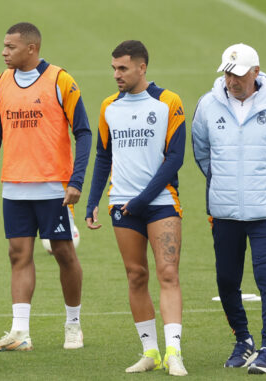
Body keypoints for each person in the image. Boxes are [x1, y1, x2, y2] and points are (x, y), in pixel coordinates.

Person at [0, 22, 92, 352]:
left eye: (10, 47)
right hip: (14, 186)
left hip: (53, 187)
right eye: (4, 46)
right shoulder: (0, 83)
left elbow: (83, 132)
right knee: (18, 254)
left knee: (64, 253)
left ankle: (73, 324)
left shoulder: (59, 80)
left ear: (31, 49)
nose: (4, 52)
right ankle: (20, 332)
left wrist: (76, 181)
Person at [192, 43, 266, 374]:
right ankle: (243, 342)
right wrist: (224, 185)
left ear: (256, 72)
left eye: (239, 74)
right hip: (223, 211)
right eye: (227, 73)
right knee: (227, 280)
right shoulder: (207, 106)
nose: (232, 80)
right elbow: (203, 154)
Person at [85, 40, 188, 376]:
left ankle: (174, 352)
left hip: (160, 203)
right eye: (114, 68)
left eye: (123, 68)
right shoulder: (108, 107)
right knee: (136, 275)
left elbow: (175, 158)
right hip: (121, 205)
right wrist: (93, 201)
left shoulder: (167, 102)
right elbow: (103, 156)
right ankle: (150, 352)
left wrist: (143, 198)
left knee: (168, 273)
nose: (116, 74)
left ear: (142, 68)